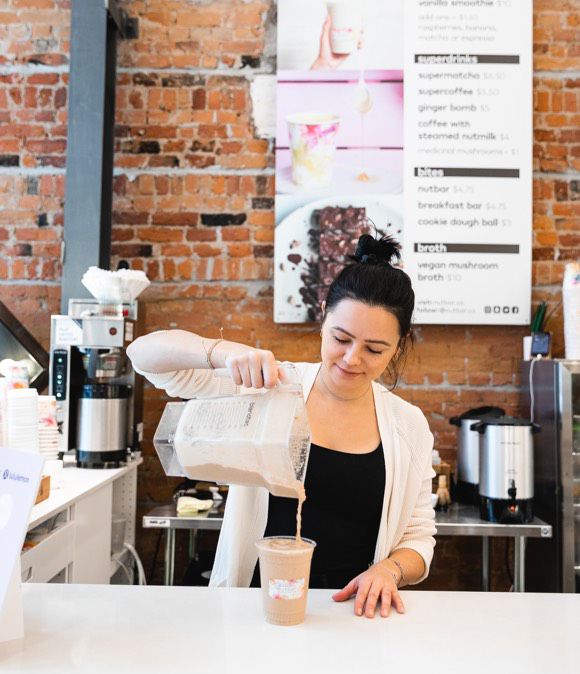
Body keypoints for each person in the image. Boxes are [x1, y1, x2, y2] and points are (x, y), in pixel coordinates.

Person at [127, 234, 436, 619]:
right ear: (323, 316)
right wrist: (224, 354)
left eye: (375, 349)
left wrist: (390, 570)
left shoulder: (408, 426)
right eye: (341, 338)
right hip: (254, 612)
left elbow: (419, 538)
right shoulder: (269, 386)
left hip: (356, 617)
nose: (352, 359)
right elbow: (142, 355)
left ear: (399, 344)